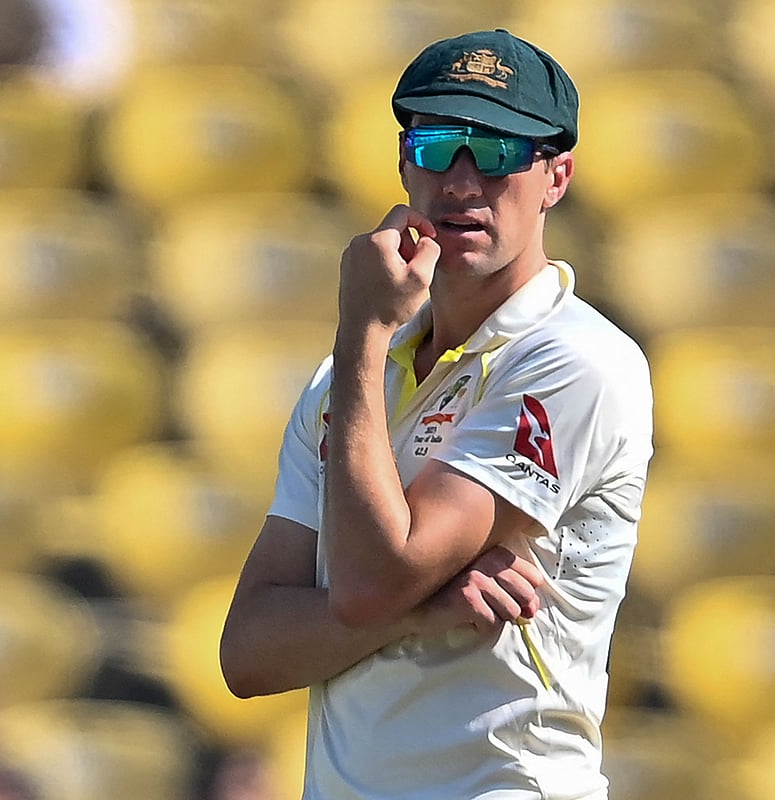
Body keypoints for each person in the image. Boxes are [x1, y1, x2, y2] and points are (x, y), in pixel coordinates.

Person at [220, 28, 654, 800]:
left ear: (557, 175)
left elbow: (366, 585)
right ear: (402, 164)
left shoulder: (577, 360)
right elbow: (249, 656)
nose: (461, 180)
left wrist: (360, 332)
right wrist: (412, 615)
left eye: (495, 151)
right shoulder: (345, 382)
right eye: (437, 144)